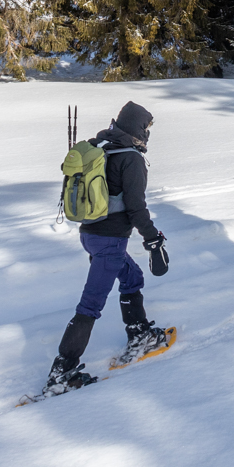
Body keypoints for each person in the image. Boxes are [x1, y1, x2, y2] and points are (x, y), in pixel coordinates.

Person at [46, 100, 172, 392]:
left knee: (132, 277)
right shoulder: (131, 158)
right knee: (90, 305)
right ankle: (62, 372)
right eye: (146, 127)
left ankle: (140, 334)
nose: (148, 132)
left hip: (90, 235)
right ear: (138, 127)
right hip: (110, 240)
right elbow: (136, 208)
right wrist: (152, 238)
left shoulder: (102, 146)